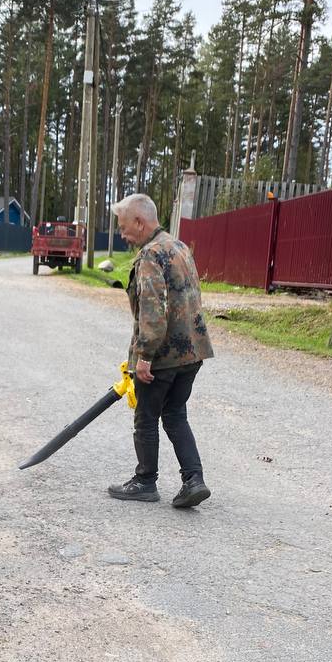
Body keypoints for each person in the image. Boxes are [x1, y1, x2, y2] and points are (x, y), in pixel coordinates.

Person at [108, 193, 213, 508]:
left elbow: (153, 310)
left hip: (164, 355)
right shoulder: (179, 246)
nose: (123, 235)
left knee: (146, 416)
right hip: (192, 352)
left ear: (140, 222)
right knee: (175, 414)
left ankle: (145, 481)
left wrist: (144, 357)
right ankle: (194, 480)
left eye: (125, 228)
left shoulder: (150, 255)